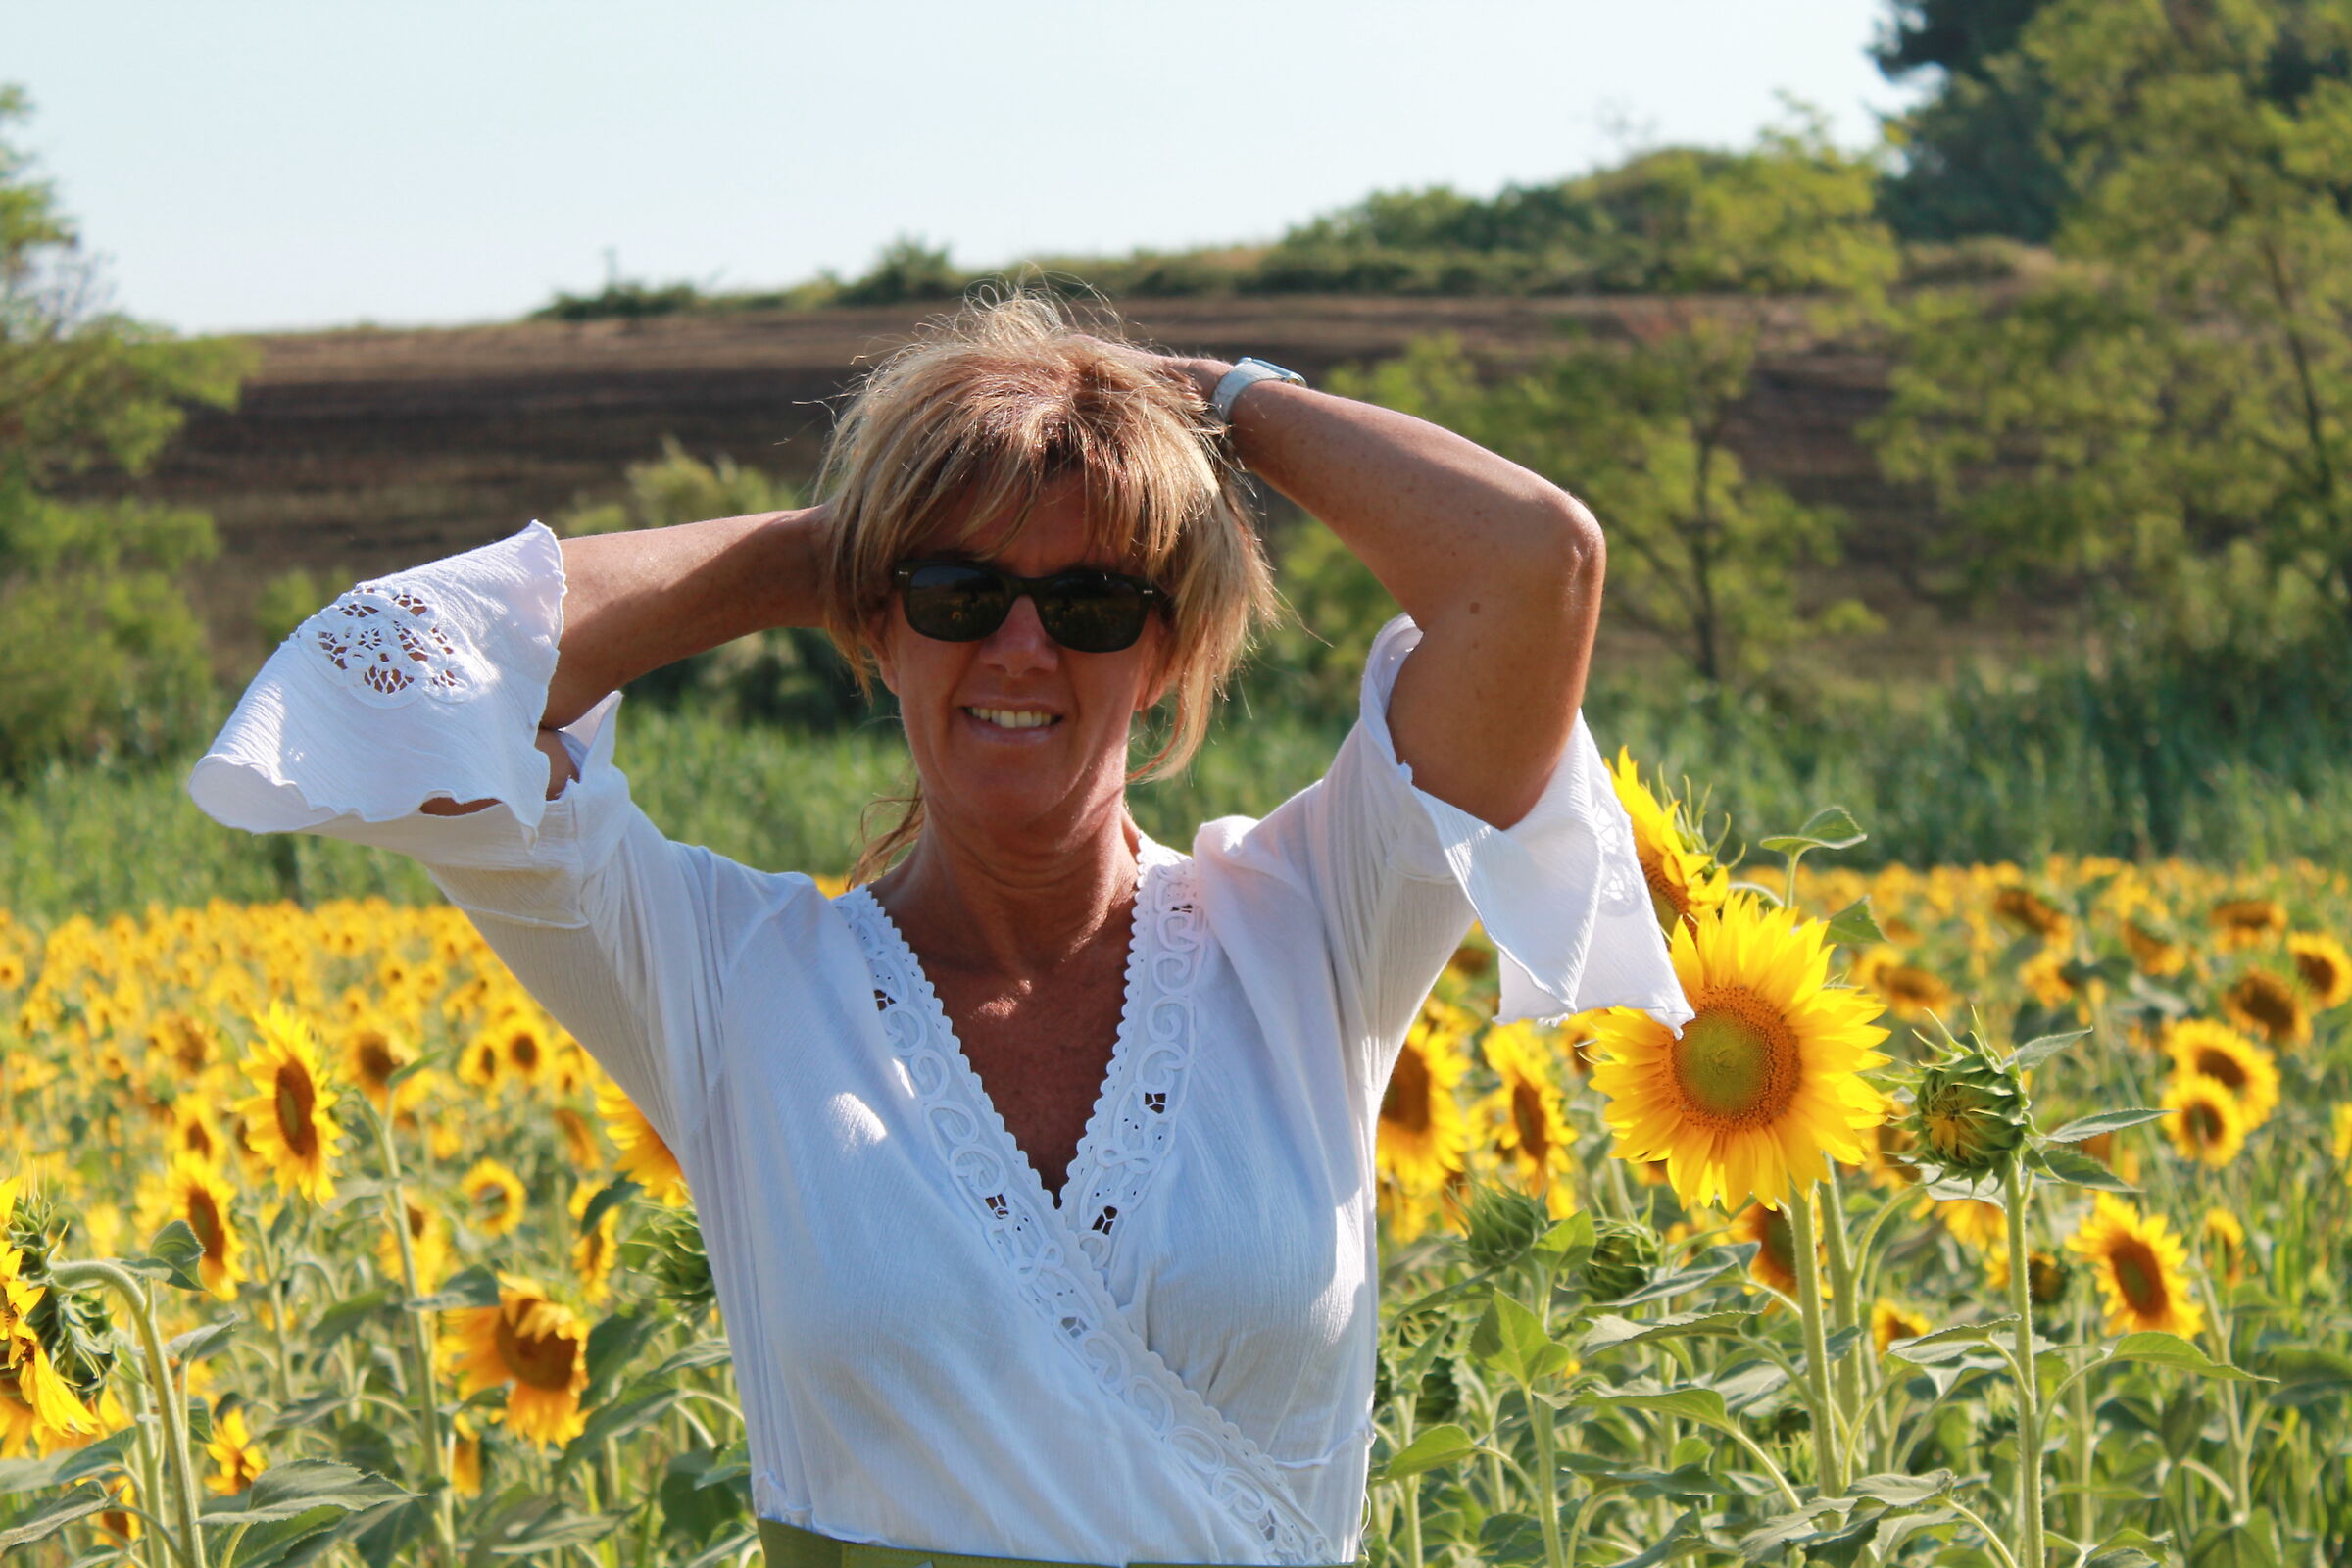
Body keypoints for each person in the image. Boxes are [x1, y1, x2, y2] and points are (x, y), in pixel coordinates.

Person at [188, 288, 1690, 1568]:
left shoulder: (1311, 935)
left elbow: (1532, 567)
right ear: (876, 627)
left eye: (1097, 600)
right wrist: (823, 550)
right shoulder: (728, 987)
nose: (1022, 646)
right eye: (962, 592)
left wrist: (1223, 402)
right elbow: (389, 678)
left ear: (1167, 648)